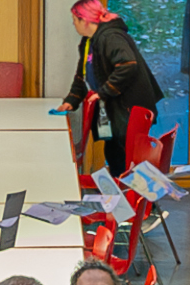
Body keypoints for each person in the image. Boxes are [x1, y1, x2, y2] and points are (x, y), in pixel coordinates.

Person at [54, 0, 165, 172]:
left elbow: (128, 65)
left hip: (129, 107)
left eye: (75, 20)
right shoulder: (88, 42)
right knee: (113, 153)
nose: (73, 24)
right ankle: (119, 187)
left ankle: (129, 188)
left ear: (85, 20)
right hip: (115, 108)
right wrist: (71, 101)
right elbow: (82, 75)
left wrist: (103, 92)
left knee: (125, 158)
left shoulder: (111, 37)